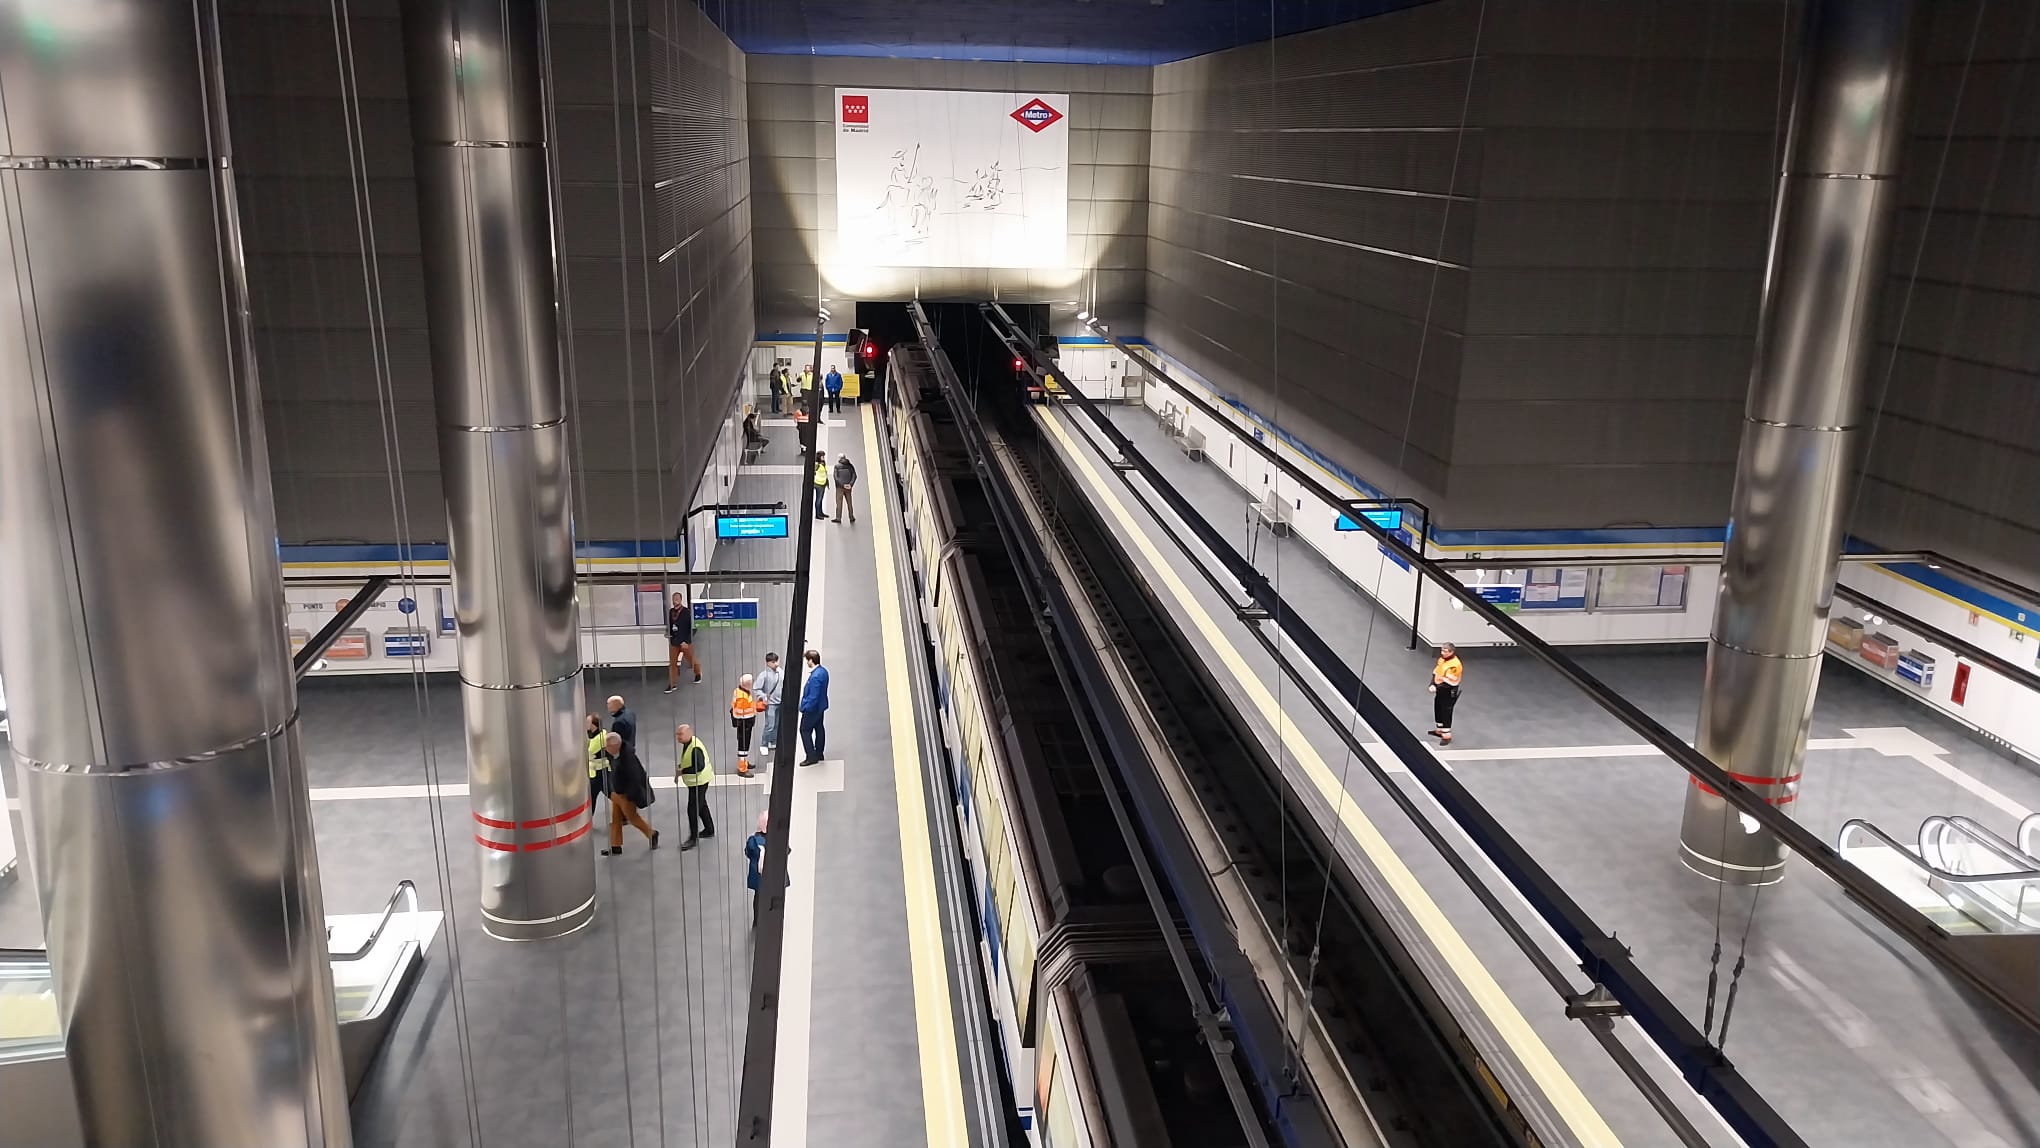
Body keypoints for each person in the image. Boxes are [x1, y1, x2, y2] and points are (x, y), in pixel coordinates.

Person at [599, 732, 658, 855]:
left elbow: (635, 778)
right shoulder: (615, 754)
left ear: (616, 745)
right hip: (617, 793)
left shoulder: (628, 759)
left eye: (607, 746)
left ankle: (651, 833)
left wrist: (631, 796)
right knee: (615, 819)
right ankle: (615, 846)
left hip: (626, 795)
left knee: (633, 818)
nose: (606, 749)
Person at [675, 723, 716, 850]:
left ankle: (693, 838)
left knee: (692, 809)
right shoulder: (690, 743)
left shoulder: (695, 747)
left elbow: (699, 767)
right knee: (701, 804)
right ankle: (709, 829)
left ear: (689, 733)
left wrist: (683, 771)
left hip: (699, 781)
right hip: (696, 782)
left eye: (680, 734)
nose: (678, 737)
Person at [798, 649, 830, 765]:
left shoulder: (815, 677)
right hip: (820, 707)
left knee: (804, 730)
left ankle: (811, 756)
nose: (807, 663)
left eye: (807, 660)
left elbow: (813, 697)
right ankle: (819, 753)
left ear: (811, 660)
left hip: (812, 709)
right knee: (819, 728)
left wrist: (804, 707)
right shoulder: (823, 671)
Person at [1428, 643, 1463, 745]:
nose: (1442, 653)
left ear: (1451, 652)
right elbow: (1436, 673)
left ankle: (1447, 735)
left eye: (1445, 651)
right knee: (1438, 707)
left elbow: (1452, 681)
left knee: (1446, 710)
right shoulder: (1442, 660)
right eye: (1442, 650)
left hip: (1448, 690)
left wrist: (1437, 686)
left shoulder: (1455, 665)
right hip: (1439, 689)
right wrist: (1432, 683)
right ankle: (1439, 729)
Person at [666, 592, 701, 692]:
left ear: (681, 600)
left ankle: (698, 673)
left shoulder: (686, 612)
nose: (675, 600)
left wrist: (686, 641)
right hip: (675, 642)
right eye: (673, 598)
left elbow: (693, 628)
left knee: (691, 659)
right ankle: (673, 684)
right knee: (673, 663)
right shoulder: (670, 612)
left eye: (677, 598)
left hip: (685, 643)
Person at [730, 673, 762, 776]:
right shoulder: (743, 697)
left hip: (744, 723)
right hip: (745, 723)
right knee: (743, 746)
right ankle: (742, 769)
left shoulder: (740, 691)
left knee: (744, 744)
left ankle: (744, 762)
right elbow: (742, 712)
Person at [756, 652, 785, 756]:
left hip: (780, 702)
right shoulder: (763, 675)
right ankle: (764, 744)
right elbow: (757, 688)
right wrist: (764, 696)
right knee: (770, 725)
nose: (776, 664)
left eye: (777, 661)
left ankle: (773, 741)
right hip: (771, 704)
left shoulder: (781, 672)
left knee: (777, 724)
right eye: (773, 662)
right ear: (768, 663)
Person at [744, 810, 769, 928]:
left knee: (758, 897)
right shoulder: (775, 841)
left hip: (758, 876)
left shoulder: (753, 841)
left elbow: (748, 852)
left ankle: (757, 920)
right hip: (773, 875)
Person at [586, 713, 610, 815]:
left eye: (587, 722)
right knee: (610, 793)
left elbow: (588, 753)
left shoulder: (597, 740)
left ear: (593, 725)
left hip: (598, 772)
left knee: (592, 796)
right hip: (600, 771)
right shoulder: (600, 733)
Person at [832, 453, 858, 524]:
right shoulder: (850, 466)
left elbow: (836, 477)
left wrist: (843, 485)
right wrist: (850, 484)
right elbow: (854, 475)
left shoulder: (837, 466)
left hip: (839, 488)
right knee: (849, 503)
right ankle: (851, 517)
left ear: (839, 459)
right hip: (848, 488)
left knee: (839, 503)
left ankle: (838, 518)